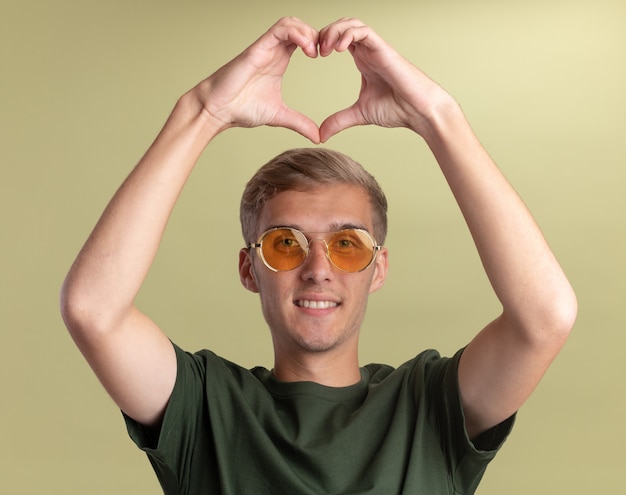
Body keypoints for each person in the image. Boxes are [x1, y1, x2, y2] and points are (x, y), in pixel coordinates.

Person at [60, 17, 577, 495]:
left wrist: (437, 116)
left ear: (378, 268)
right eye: (286, 243)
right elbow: (93, 309)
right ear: (249, 268)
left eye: (347, 244)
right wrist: (203, 111)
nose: (318, 269)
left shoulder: (430, 406)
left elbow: (545, 317)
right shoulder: (204, 408)